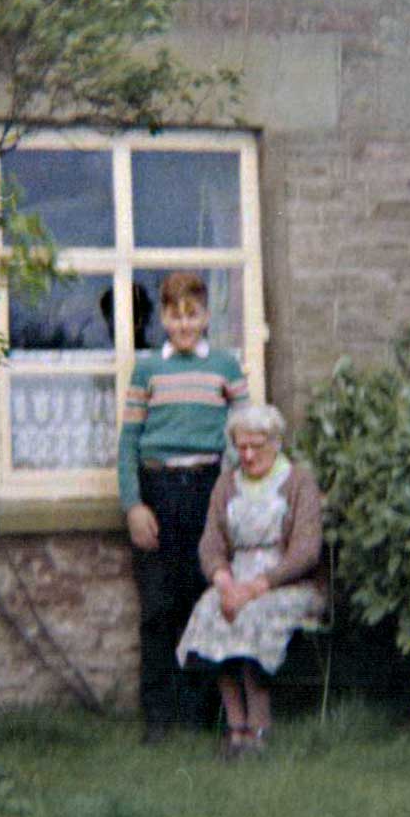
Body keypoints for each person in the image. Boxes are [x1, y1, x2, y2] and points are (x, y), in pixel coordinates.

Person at [118, 270, 249, 744]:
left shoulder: (227, 368)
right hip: (158, 490)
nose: (184, 324)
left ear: (207, 316)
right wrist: (134, 505)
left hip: (208, 490)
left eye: (192, 314)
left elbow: (244, 432)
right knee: (157, 606)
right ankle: (157, 718)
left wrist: (231, 498)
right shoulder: (148, 371)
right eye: (175, 315)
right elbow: (128, 442)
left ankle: (200, 715)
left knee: (204, 600)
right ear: (164, 319)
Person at [177, 401, 326, 758]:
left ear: (275, 443)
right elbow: (211, 543)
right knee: (211, 610)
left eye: (255, 446)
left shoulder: (298, 481)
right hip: (236, 579)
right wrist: (225, 582)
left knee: (251, 615)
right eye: (240, 446)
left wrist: (257, 587)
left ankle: (259, 726)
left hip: (286, 583)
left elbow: (306, 551)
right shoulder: (227, 484)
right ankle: (236, 726)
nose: (246, 455)